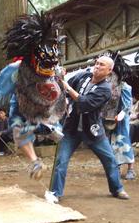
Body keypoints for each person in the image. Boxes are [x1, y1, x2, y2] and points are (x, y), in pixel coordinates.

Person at [0, 13, 66, 180]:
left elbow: (59, 87)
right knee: (20, 129)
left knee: (32, 124)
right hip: (26, 104)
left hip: (44, 106)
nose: (47, 68)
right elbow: (1, 91)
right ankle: (36, 159)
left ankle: (50, 129)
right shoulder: (16, 69)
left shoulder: (52, 67)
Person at [48, 55, 130, 203]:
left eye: (102, 65)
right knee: (61, 161)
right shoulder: (83, 76)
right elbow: (64, 87)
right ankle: (55, 193)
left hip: (93, 130)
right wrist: (59, 77)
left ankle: (117, 188)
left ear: (109, 71)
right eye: (97, 63)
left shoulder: (105, 89)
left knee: (110, 160)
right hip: (71, 129)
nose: (97, 66)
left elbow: (84, 103)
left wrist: (66, 85)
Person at [101, 51, 136, 180]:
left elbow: (127, 106)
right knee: (110, 143)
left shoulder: (125, 87)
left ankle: (131, 168)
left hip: (121, 118)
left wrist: (120, 116)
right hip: (108, 117)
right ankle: (116, 167)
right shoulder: (105, 85)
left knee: (123, 141)